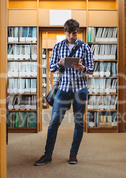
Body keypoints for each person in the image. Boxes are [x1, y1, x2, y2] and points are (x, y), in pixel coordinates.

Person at [34, 19, 94, 166]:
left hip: (80, 89)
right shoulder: (57, 47)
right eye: (69, 33)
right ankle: (47, 155)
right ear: (65, 32)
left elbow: (91, 69)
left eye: (74, 33)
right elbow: (51, 68)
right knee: (54, 122)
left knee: (78, 123)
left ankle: (73, 154)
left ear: (77, 32)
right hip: (63, 88)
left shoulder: (85, 47)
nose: (72, 36)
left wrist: (83, 68)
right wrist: (59, 63)